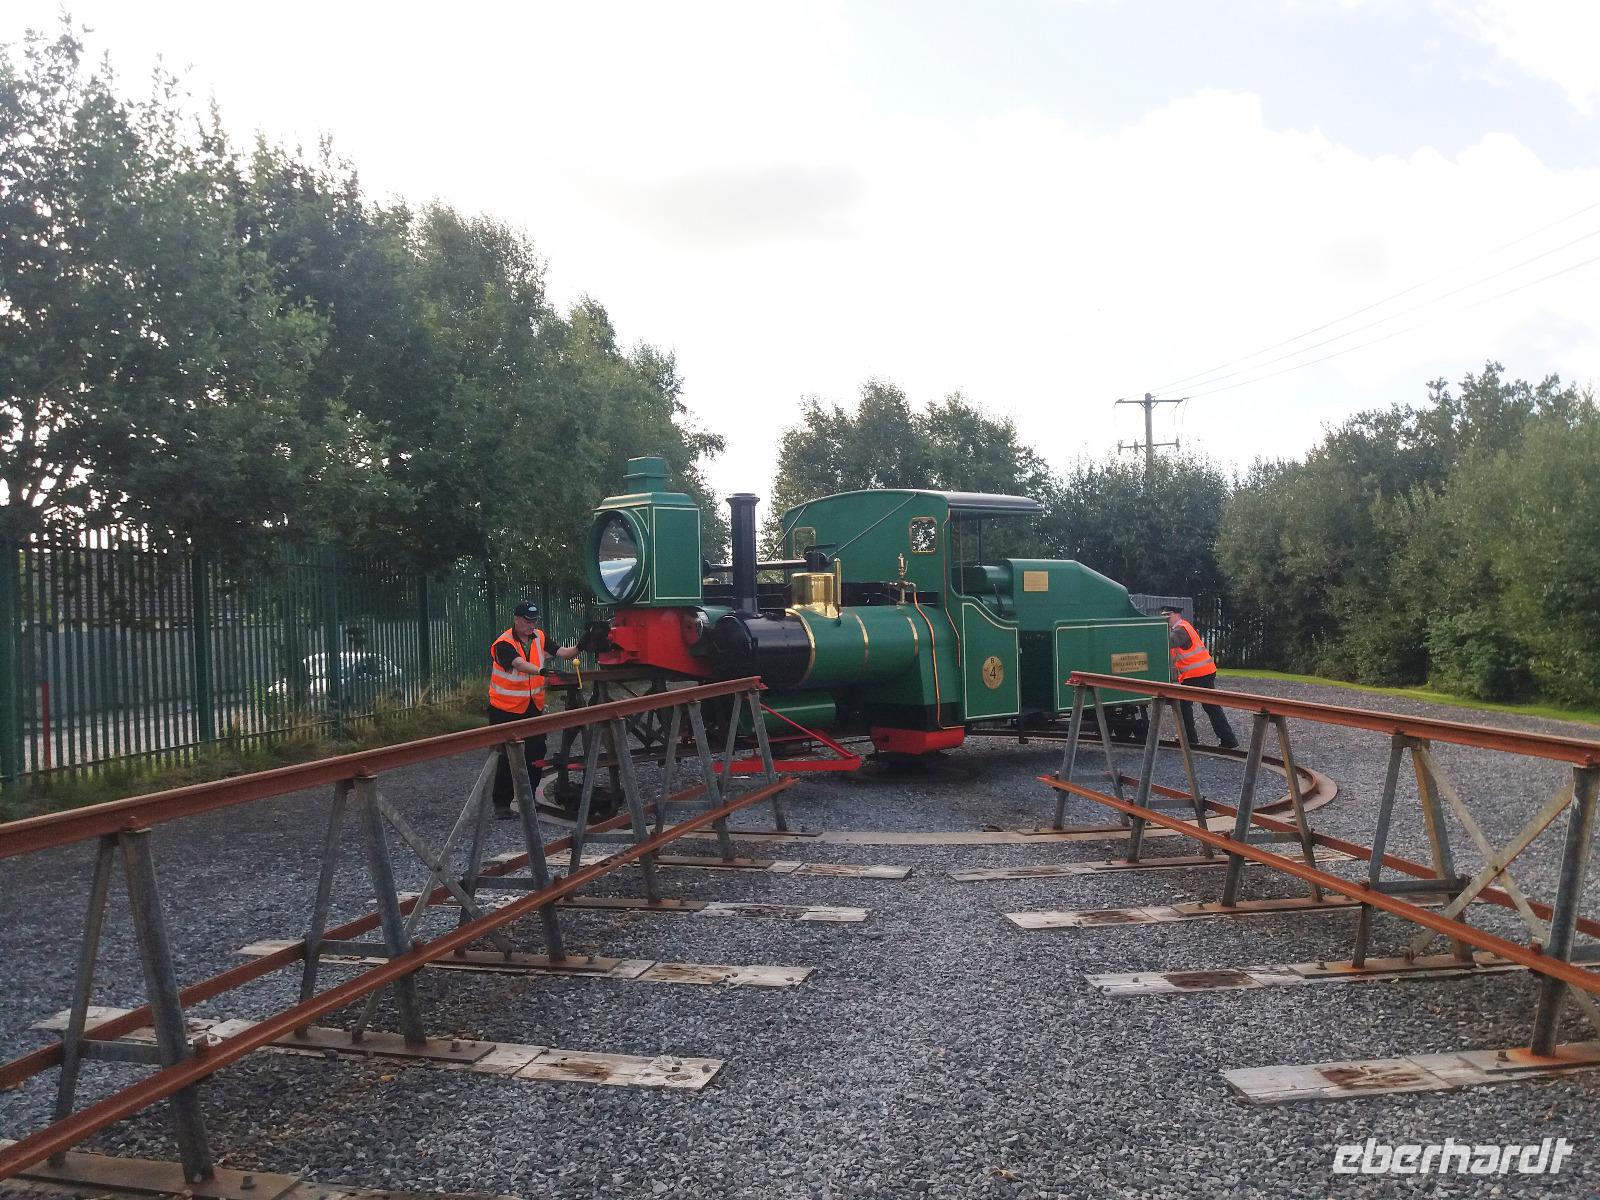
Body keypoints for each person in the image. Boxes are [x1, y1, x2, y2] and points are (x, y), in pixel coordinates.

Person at [488, 601, 579, 820]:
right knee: (505, 757)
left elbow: (563, 653)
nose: (532, 625)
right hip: (505, 709)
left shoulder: (539, 637)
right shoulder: (503, 643)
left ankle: (527, 800)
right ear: (516, 619)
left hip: (531, 707)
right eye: (528, 621)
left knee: (536, 752)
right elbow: (518, 664)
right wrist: (542, 670)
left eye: (534, 621)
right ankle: (501, 804)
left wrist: (582, 645)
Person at [1161, 605, 1239, 750]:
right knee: (1210, 706)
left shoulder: (1180, 630)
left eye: (1167, 615)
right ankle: (1227, 739)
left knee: (1186, 705)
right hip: (1202, 673)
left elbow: (1168, 642)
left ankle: (1191, 739)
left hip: (1197, 674)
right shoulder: (1183, 627)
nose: (1165, 618)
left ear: (1176, 615)